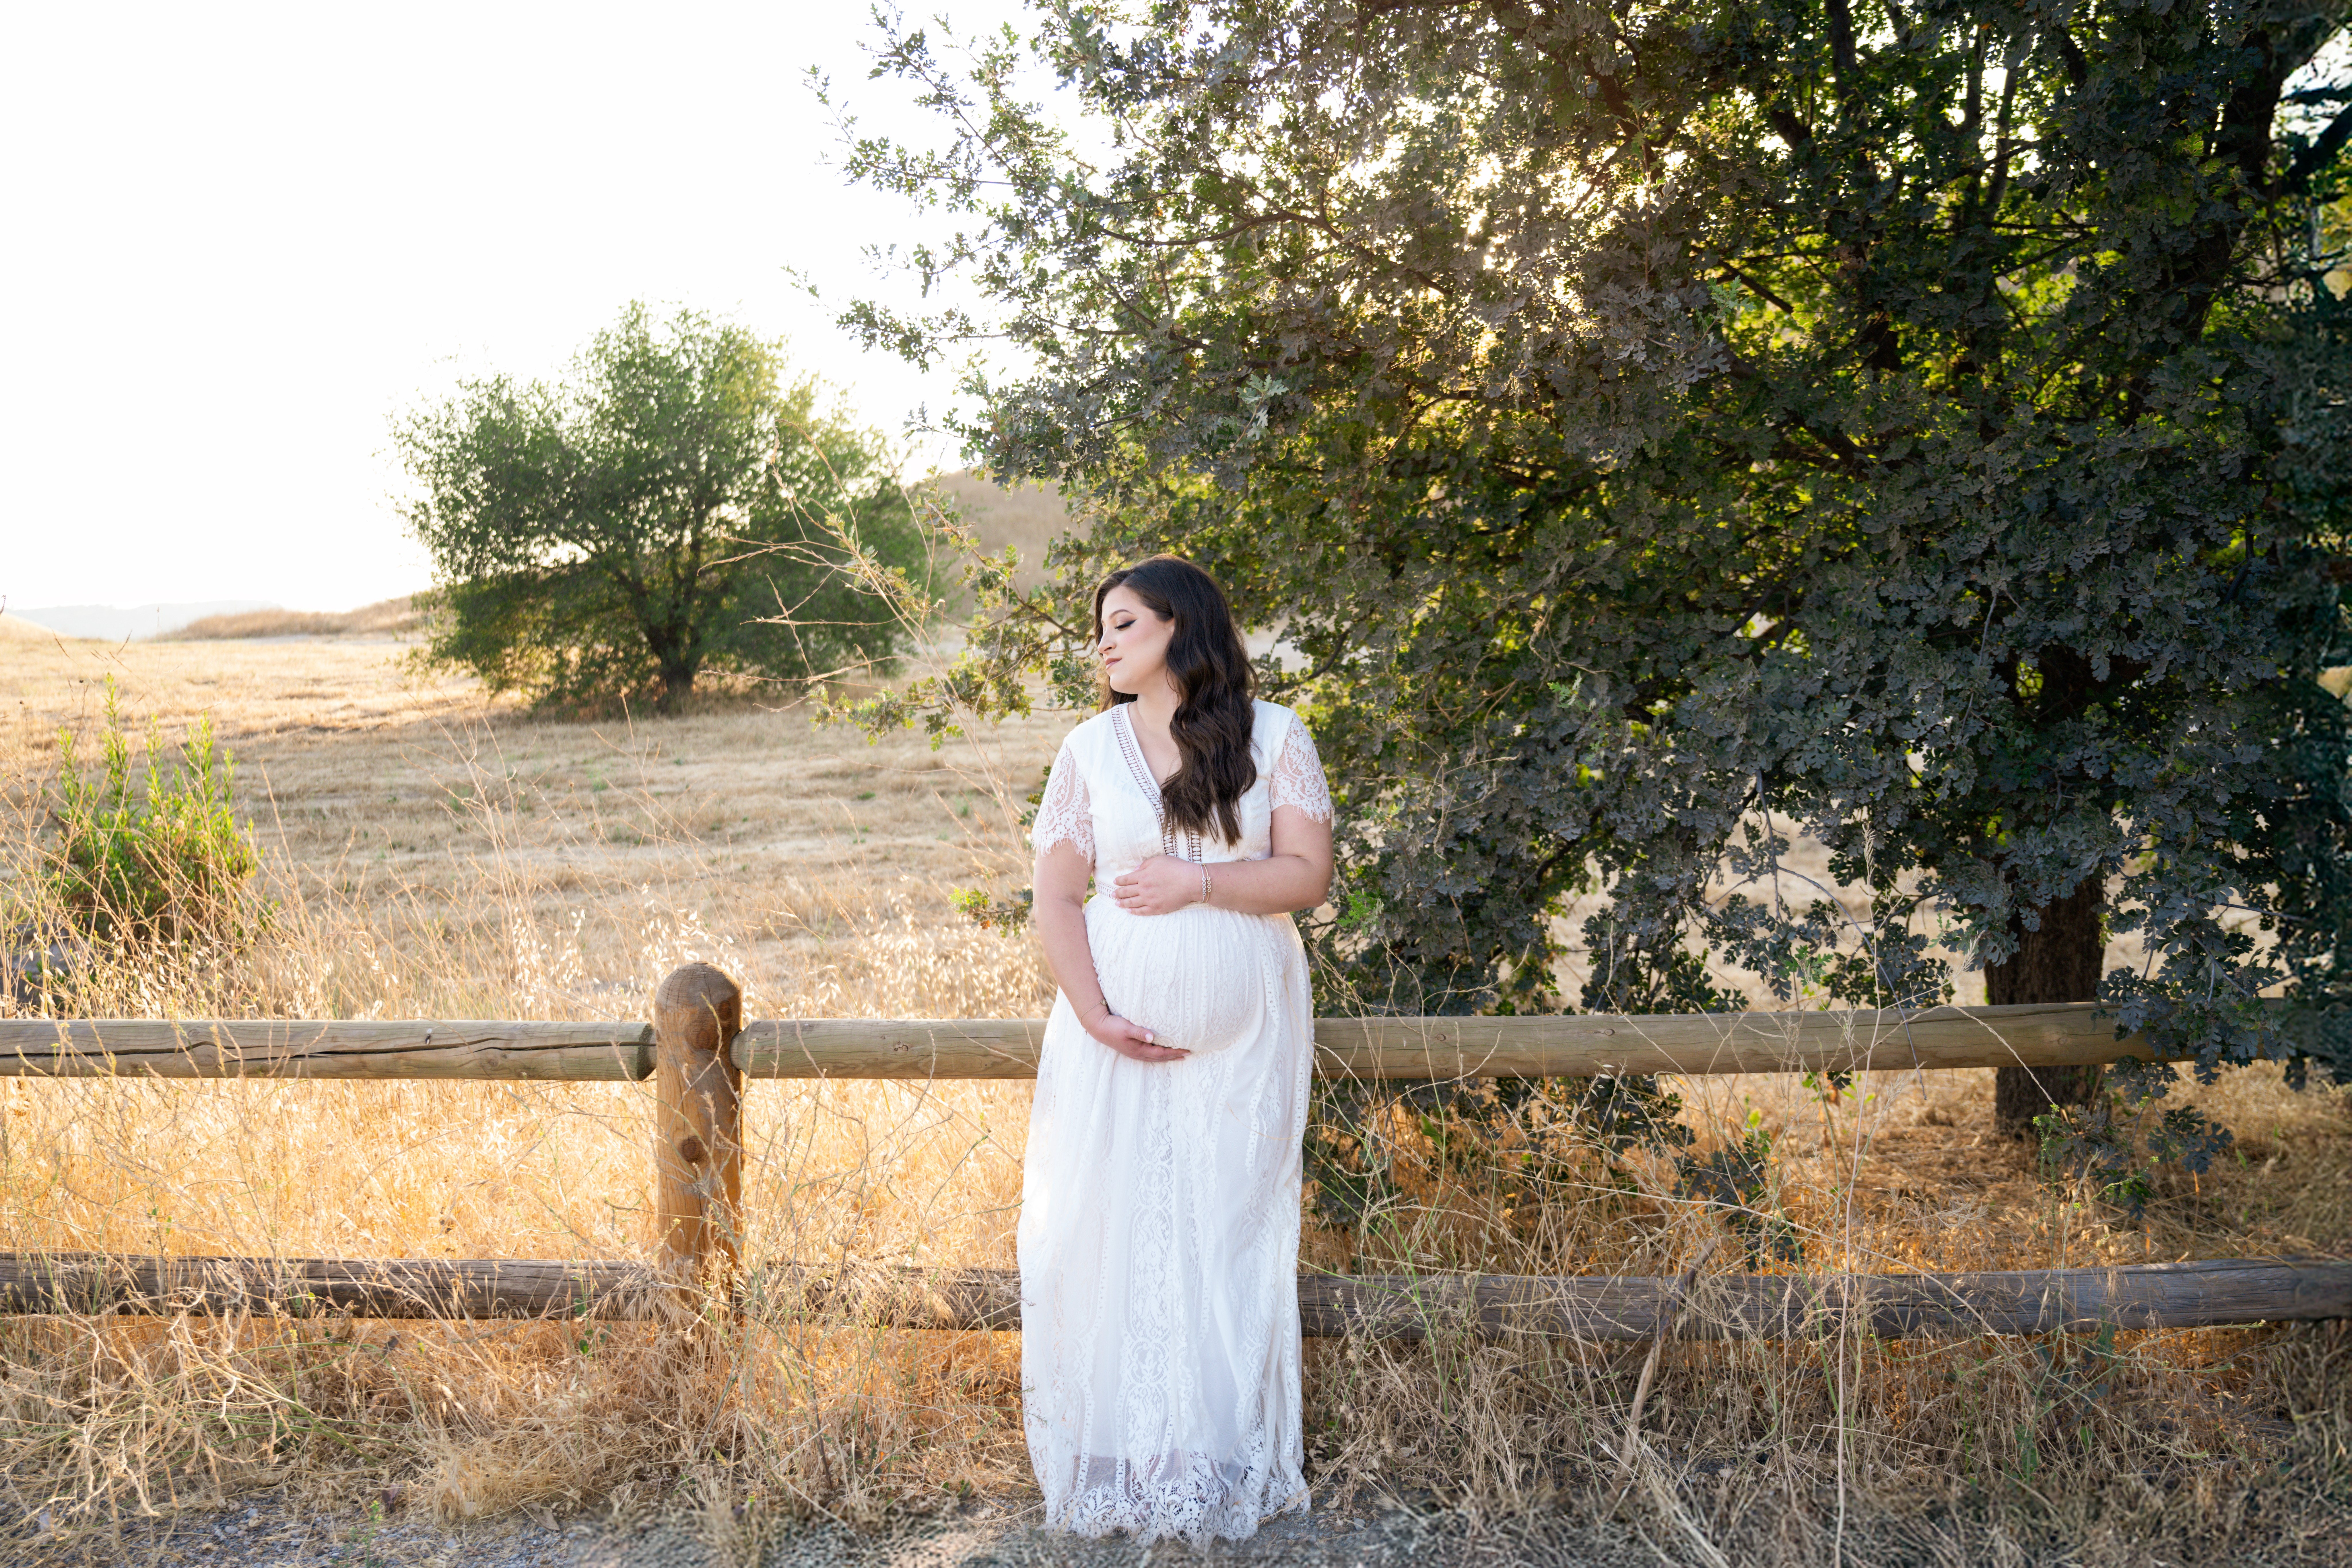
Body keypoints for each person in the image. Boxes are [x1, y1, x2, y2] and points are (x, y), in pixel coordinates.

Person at [1020, 555, 1335, 1543]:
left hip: (1247, 1040)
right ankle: (1119, 1453)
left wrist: (1196, 884)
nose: (1102, 642)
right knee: (1109, 1229)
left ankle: (1215, 1455)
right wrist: (1096, 1013)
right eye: (1099, 627)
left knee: (1223, 1227)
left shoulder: (1276, 735)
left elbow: (1306, 876)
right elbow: (1055, 899)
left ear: (1179, 625)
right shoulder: (1088, 747)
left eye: (1122, 621)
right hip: (1111, 1039)